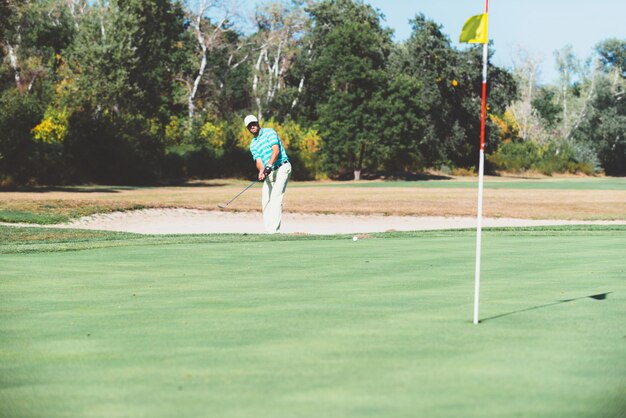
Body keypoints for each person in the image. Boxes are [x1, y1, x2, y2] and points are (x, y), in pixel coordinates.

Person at [244, 114, 292, 233]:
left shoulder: (269, 132)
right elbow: (259, 161)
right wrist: (261, 171)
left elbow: (276, 150)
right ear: (247, 128)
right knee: (266, 200)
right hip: (269, 172)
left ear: (258, 123)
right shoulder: (253, 144)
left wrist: (269, 165)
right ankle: (269, 230)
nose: (252, 126)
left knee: (275, 197)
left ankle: (274, 231)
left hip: (282, 167)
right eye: (250, 126)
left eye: (254, 123)